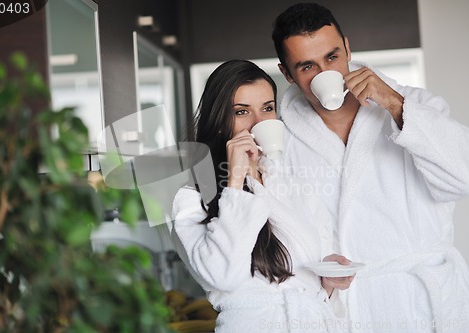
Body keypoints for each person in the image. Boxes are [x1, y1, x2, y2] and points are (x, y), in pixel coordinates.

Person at [271, 3, 469, 332]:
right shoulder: (281, 142)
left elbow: (463, 177)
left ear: (347, 47)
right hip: (351, 311)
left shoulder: (414, 105)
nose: (325, 74)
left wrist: (394, 105)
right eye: (307, 67)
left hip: (428, 306)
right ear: (287, 74)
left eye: (332, 57)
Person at [170, 59, 353, 333]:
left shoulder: (289, 185)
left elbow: (303, 279)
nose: (258, 122)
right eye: (242, 112)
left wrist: (327, 281)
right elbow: (223, 276)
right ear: (220, 121)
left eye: (267, 108)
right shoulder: (187, 196)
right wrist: (234, 183)